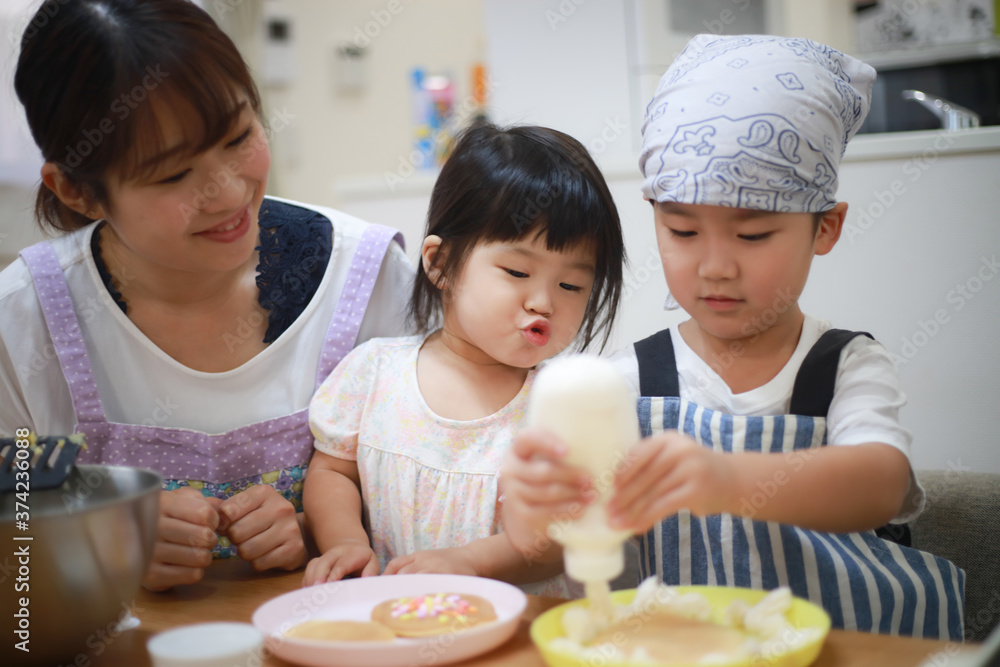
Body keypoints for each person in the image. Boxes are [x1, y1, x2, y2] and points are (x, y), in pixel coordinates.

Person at [500, 35, 964, 640]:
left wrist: (726, 480)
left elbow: (881, 483)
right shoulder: (625, 384)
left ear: (826, 227)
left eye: (752, 236)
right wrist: (535, 506)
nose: (715, 267)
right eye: (683, 231)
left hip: (845, 647)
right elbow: (562, 543)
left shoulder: (844, 365)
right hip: (687, 647)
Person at [0, 0, 413, 592]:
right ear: (76, 190)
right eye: (173, 175)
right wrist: (99, 541)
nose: (227, 193)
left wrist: (321, 528)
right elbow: (14, 543)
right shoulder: (22, 323)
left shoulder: (368, 280)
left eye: (238, 136)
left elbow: (449, 486)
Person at [302, 121, 625, 596]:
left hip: (519, 630)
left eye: (571, 285)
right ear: (440, 264)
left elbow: (563, 536)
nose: (543, 302)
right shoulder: (374, 372)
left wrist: (470, 563)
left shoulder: (563, 404)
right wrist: (345, 541)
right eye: (517, 271)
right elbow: (333, 472)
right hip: (391, 618)